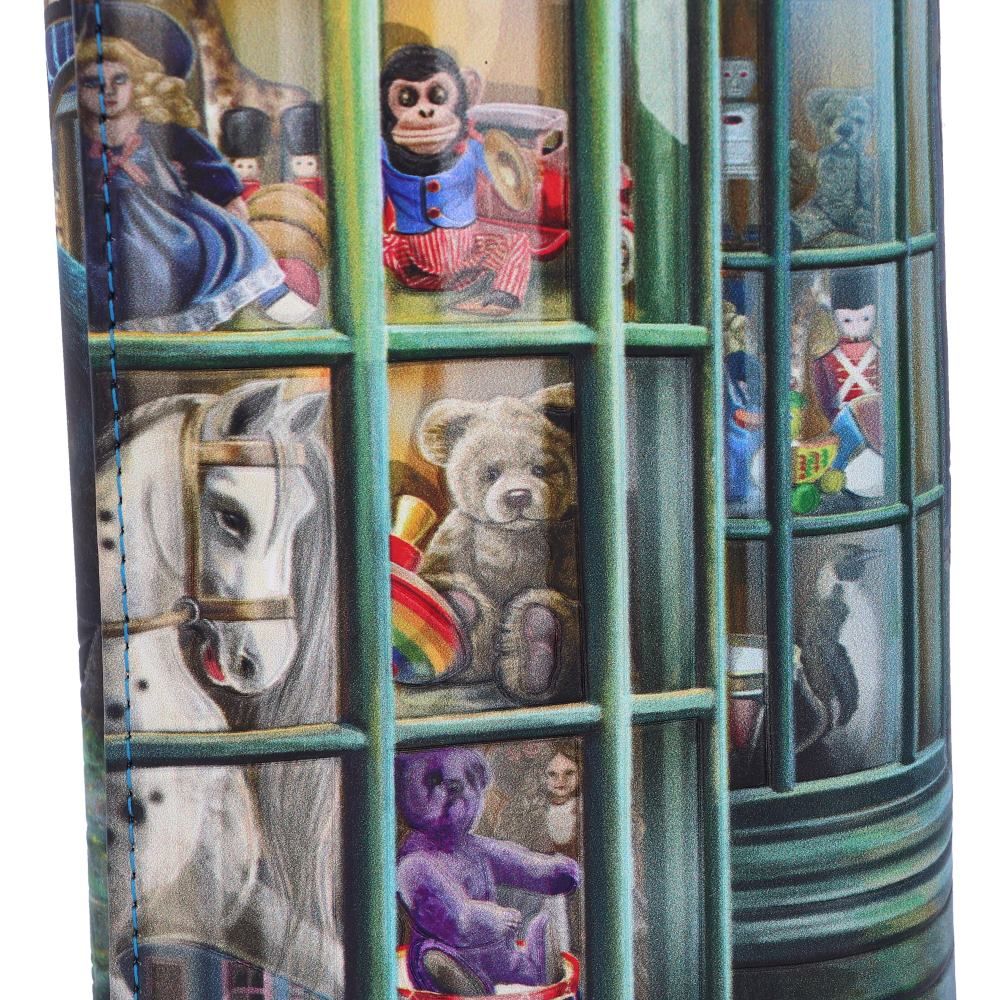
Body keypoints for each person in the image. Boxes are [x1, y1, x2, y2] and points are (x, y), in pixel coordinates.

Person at [76, 3, 314, 332]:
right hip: (107, 222)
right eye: (93, 83)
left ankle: (269, 293)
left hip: (166, 211)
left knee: (225, 239)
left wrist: (226, 194)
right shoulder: (77, 133)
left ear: (139, 81)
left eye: (120, 79)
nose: (109, 92)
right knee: (121, 269)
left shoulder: (154, 126)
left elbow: (200, 159)